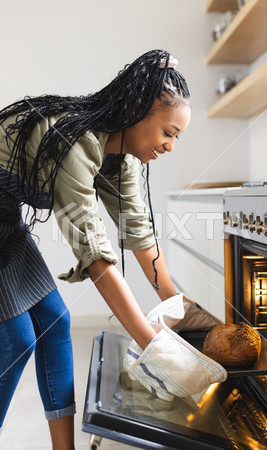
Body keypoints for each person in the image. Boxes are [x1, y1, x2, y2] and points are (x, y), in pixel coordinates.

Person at [0, 49, 191, 449]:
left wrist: (181, 311)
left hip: (6, 222)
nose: (171, 146)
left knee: (54, 322)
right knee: (17, 338)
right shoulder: (77, 144)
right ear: (139, 109)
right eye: (169, 133)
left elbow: (138, 231)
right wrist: (152, 344)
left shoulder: (121, 158)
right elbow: (97, 258)